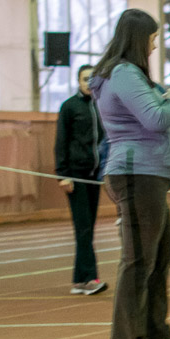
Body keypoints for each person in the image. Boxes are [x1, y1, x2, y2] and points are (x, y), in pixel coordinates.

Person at [89, 9, 170, 339]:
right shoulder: (123, 73)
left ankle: (156, 332)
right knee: (138, 260)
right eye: (152, 38)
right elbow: (155, 118)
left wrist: (167, 95)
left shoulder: (129, 75)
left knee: (160, 255)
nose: (154, 45)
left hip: (150, 176)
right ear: (138, 38)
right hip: (136, 175)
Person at [54, 64, 108, 296]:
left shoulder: (101, 106)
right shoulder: (69, 107)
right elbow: (61, 142)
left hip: (95, 176)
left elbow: (107, 141)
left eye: (92, 79)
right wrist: (63, 174)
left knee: (87, 228)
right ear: (78, 81)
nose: (88, 83)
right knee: (83, 227)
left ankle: (79, 279)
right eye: (85, 79)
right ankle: (88, 279)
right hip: (75, 175)